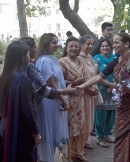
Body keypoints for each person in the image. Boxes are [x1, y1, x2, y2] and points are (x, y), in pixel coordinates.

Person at [77, 33, 130, 162]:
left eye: (116, 43)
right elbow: (99, 76)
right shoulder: (117, 60)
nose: (113, 46)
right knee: (121, 137)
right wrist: (81, 86)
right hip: (121, 107)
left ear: (126, 44)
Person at [0, 41, 41, 162]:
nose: (29, 56)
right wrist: (36, 132)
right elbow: (27, 110)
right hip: (19, 128)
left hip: (5, 125)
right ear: (22, 57)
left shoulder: (5, 77)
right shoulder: (22, 78)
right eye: (27, 53)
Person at [35, 33, 69, 162]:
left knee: (53, 131)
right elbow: (50, 84)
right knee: (48, 131)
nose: (57, 45)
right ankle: (45, 158)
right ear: (46, 45)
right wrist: (63, 100)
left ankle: (50, 158)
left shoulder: (52, 58)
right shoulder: (44, 60)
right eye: (54, 42)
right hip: (50, 100)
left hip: (55, 98)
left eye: (57, 42)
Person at [18, 37, 78, 105]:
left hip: (50, 97)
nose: (37, 49)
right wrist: (65, 94)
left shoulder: (28, 65)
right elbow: (45, 87)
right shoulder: (39, 63)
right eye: (34, 47)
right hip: (48, 100)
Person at [59, 37, 88, 162]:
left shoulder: (81, 60)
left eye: (76, 46)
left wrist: (90, 88)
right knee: (69, 126)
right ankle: (66, 155)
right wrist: (75, 81)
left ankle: (77, 153)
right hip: (67, 99)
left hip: (80, 99)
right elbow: (59, 82)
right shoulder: (62, 62)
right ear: (66, 47)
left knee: (80, 125)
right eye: (71, 46)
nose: (74, 49)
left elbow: (86, 78)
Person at [93, 39, 116, 147]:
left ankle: (106, 134)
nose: (105, 48)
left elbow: (119, 72)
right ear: (100, 47)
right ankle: (100, 137)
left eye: (107, 46)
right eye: (103, 46)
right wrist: (108, 84)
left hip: (113, 89)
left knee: (111, 112)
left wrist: (113, 86)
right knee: (101, 113)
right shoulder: (96, 58)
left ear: (110, 47)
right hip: (101, 88)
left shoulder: (115, 58)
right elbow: (96, 74)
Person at [78, 35, 99, 149]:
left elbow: (93, 75)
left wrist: (94, 88)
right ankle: (79, 144)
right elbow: (81, 76)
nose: (90, 46)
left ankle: (85, 141)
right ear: (81, 45)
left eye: (92, 44)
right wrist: (89, 89)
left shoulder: (90, 57)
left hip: (91, 91)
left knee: (90, 117)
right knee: (83, 117)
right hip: (83, 92)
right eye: (88, 44)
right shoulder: (79, 58)